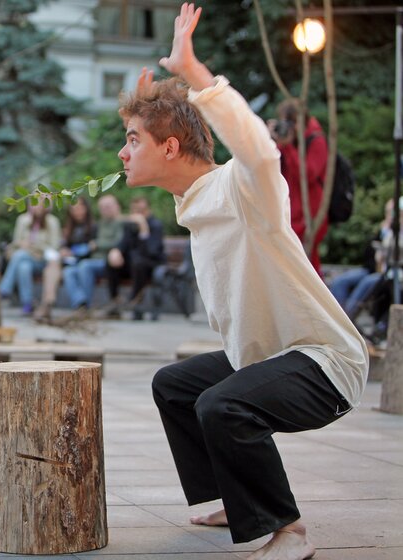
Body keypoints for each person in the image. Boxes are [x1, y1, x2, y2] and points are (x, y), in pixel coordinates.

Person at [129, 5, 367, 559]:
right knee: (174, 385)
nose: (122, 151)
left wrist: (193, 75)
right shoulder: (194, 202)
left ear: (170, 147)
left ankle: (288, 531)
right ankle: (221, 497)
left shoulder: (241, 188)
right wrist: (150, 105)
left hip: (324, 362)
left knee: (222, 405)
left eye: (134, 139)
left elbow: (259, 149)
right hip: (267, 358)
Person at [270, 97, 328, 276]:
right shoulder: (288, 142)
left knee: (306, 266)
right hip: (291, 211)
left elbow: (308, 175)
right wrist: (270, 140)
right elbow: (272, 168)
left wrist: (288, 147)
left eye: (291, 123)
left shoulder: (315, 140)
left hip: (310, 215)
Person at [329, 197, 399, 319]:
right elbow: (367, 253)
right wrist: (383, 233)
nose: (390, 216)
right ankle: (333, 315)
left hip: (388, 274)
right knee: (340, 281)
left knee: (367, 282)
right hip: (371, 269)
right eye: (387, 212)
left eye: (392, 212)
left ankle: (346, 318)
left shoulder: (397, 232)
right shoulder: (383, 231)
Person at [106, 195, 165, 320]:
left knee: (138, 263)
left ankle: (135, 301)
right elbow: (124, 243)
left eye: (140, 210)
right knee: (111, 261)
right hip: (132, 265)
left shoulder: (156, 225)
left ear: (148, 210)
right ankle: (115, 300)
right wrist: (115, 251)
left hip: (150, 265)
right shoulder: (130, 226)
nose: (137, 214)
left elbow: (152, 251)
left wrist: (144, 229)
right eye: (135, 210)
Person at [61, 194, 124, 312]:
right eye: (103, 207)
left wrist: (96, 244)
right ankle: (80, 303)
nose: (106, 210)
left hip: (107, 262)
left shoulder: (121, 222)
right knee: (68, 271)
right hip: (88, 260)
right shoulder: (100, 224)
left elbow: (118, 242)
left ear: (117, 206)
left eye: (108, 206)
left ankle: (86, 308)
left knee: (85, 266)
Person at [0, 200, 62, 315]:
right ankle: (27, 303)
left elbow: (54, 246)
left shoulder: (52, 221)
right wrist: (21, 244)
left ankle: (4, 289)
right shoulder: (23, 220)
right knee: (23, 267)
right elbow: (15, 241)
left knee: (20, 255)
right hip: (24, 257)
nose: (36, 206)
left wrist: (34, 245)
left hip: (42, 260)